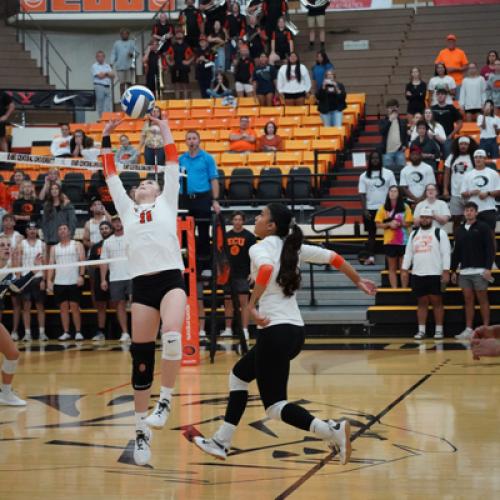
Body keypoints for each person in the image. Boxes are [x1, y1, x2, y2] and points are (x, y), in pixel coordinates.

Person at [193, 203, 377, 463]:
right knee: (238, 376)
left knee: (275, 407)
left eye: (261, 215)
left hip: (275, 331)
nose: (256, 218)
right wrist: (358, 281)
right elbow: (334, 257)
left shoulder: (259, 247)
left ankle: (331, 430)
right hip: (294, 332)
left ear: (271, 226)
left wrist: (252, 303)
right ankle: (221, 441)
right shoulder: (294, 249)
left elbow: (267, 270)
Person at [99, 116, 187, 467]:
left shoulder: (167, 201)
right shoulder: (127, 209)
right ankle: (140, 430)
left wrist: (165, 129)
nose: (144, 184)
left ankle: (165, 400)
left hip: (170, 280)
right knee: (140, 357)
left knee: (172, 335)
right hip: (143, 285)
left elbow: (171, 161)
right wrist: (105, 137)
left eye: (149, 182)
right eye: (142, 184)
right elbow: (110, 175)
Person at [0, 235, 42, 405]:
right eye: (2, 245)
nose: (6, 247)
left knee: (12, 354)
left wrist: (33, 270)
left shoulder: (7, 271)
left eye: (8, 245)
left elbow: (16, 287)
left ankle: (6, 393)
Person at [401, 207, 451, 340]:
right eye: (422, 217)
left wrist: (446, 271)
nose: (425, 219)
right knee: (421, 303)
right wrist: (404, 269)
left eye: (427, 217)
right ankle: (421, 330)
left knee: (437, 302)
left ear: (432, 218)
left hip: (435, 274)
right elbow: (408, 253)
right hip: (418, 274)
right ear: (419, 219)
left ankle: (439, 330)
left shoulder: (440, 233)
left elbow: (446, 253)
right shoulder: (413, 234)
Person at [451, 202, 495, 340]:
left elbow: (490, 249)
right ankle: (469, 329)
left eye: (471, 210)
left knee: (483, 299)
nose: (469, 212)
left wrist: (488, 268)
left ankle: (486, 329)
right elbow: (456, 252)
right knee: (468, 300)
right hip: (464, 271)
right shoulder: (459, 230)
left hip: (480, 270)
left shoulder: (483, 227)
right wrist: (453, 270)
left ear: (476, 212)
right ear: (464, 212)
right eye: (466, 210)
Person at [179, 129, 220, 263]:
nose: (191, 141)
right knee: (184, 231)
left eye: (194, 138)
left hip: (202, 199)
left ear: (199, 141)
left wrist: (215, 200)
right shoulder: (181, 159)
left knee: (203, 231)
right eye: (189, 138)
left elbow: (213, 180)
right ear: (186, 142)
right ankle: (185, 261)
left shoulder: (207, 158)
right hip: (184, 199)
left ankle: (204, 262)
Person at [221, 211, 256, 340]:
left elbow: (254, 257)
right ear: (231, 221)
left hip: (243, 274)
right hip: (228, 274)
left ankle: (245, 329)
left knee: (244, 303)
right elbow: (221, 256)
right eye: (235, 219)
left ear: (243, 221)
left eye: (239, 219)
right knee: (228, 303)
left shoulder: (250, 236)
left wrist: (253, 272)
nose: (237, 222)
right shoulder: (225, 236)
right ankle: (228, 329)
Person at [46, 223, 85, 341]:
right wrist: (49, 280)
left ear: (69, 231)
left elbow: (83, 260)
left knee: (75, 307)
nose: (62, 231)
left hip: (74, 281)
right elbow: (51, 265)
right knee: (63, 308)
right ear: (58, 233)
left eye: (64, 229)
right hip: (59, 282)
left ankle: (78, 332)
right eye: (60, 229)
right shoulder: (54, 248)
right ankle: (66, 332)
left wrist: (81, 276)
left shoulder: (77, 244)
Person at [358, 151, 396, 266]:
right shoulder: (363, 176)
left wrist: (392, 208)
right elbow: (362, 194)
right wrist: (365, 210)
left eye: (377, 158)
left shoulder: (389, 173)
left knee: (389, 233)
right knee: (371, 235)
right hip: (370, 209)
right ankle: (370, 257)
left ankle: (390, 257)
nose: (375, 160)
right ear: (369, 161)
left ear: (380, 160)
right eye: (373, 158)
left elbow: (393, 190)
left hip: (386, 209)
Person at [100, 215, 131, 343]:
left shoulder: (131, 237)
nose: (117, 224)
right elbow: (104, 262)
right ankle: (125, 333)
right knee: (119, 305)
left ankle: (139, 331)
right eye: (115, 222)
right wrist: (103, 279)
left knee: (136, 304)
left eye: (119, 221)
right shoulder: (107, 242)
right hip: (115, 278)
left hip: (132, 275)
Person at [375, 186, 413, 288]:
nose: (392, 193)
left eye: (395, 191)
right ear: (388, 193)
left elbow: (409, 222)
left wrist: (399, 223)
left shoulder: (405, 207)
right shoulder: (383, 208)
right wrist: (388, 225)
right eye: (391, 191)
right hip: (389, 242)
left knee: (403, 268)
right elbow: (378, 224)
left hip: (403, 241)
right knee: (392, 268)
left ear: (399, 194)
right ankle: (394, 290)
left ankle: (404, 289)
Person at [16, 222, 46, 342]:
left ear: (37, 230)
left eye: (34, 228)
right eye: (30, 229)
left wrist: (44, 279)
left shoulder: (42, 244)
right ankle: (27, 334)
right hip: (26, 278)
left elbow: (46, 264)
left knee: (40, 306)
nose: (32, 231)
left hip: (39, 278)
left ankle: (42, 333)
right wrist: (19, 281)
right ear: (26, 231)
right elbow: (18, 264)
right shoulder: (21, 244)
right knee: (26, 307)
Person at [460, 149, 500, 233]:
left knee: (490, 236)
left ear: (485, 159)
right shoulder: (468, 175)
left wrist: (488, 193)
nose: (478, 159)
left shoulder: (493, 173)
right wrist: (471, 192)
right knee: (474, 236)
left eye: (480, 157)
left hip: (489, 208)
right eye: (476, 157)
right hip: (473, 210)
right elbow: (463, 193)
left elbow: (499, 190)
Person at [443, 136, 476, 233]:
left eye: (465, 144)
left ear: (469, 146)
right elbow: (447, 173)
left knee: (472, 220)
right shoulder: (452, 157)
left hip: (470, 194)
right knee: (456, 220)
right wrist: (445, 188)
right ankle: (457, 244)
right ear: (458, 145)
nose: (463, 146)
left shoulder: (473, 157)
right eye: (461, 144)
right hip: (455, 194)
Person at [88, 220, 113, 342]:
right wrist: (103, 265)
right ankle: (101, 331)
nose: (104, 230)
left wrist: (106, 265)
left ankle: (124, 332)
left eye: (106, 228)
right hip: (100, 278)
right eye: (102, 228)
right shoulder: (96, 246)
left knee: (119, 304)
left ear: (111, 229)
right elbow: (91, 263)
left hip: (115, 276)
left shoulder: (116, 242)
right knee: (101, 306)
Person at [0, 213, 23, 341]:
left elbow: (18, 256)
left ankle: (14, 331)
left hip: (13, 272)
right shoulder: (0, 237)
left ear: (14, 223)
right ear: (3, 223)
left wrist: (18, 275)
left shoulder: (18, 237)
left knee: (16, 303)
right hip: (2, 273)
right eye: (6, 220)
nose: (8, 223)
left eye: (10, 220)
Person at [41, 183, 77, 257]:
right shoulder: (47, 205)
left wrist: (70, 236)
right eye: (52, 189)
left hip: (65, 238)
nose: (54, 191)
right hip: (51, 238)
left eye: (56, 188)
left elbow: (72, 221)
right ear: (50, 191)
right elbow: (44, 223)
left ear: (60, 191)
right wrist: (46, 238)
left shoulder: (68, 204)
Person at [435, 34, 469, 99]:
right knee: (447, 103)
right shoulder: (442, 52)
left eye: (452, 41)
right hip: (445, 83)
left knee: (458, 103)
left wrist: (455, 69)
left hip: (458, 83)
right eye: (449, 41)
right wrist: (444, 68)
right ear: (447, 43)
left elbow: (466, 66)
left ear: (455, 42)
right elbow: (436, 64)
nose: (451, 43)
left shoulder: (460, 52)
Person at [431, 88, 463, 158]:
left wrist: (451, 135)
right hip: (434, 138)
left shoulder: (451, 108)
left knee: (448, 159)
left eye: (442, 94)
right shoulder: (432, 109)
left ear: (446, 96)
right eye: (438, 94)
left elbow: (460, 123)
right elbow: (427, 123)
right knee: (435, 159)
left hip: (448, 138)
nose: (440, 96)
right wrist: (433, 135)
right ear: (436, 96)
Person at [379, 99, 408, 175]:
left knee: (402, 173)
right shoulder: (383, 121)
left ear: (398, 109)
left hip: (400, 152)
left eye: (394, 107)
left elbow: (405, 135)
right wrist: (390, 120)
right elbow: (382, 131)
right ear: (387, 109)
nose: (392, 109)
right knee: (387, 174)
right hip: (387, 152)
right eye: (390, 108)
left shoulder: (402, 121)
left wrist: (405, 145)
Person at [166, 29, 195, 100]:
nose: (179, 35)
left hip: (184, 68)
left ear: (183, 35)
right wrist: (170, 63)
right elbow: (167, 55)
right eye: (177, 33)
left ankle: (185, 102)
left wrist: (188, 62)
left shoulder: (187, 46)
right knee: (176, 86)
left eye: (180, 33)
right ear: (175, 35)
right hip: (175, 68)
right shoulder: (172, 46)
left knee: (185, 86)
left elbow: (193, 55)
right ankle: (177, 102)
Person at [110, 28, 137, 96]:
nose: (124, 35)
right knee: (122, 83)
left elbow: (137, 52)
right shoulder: (117, 43)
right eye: (123, 34)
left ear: (128, 35)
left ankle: (130, 97)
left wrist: (132, 55)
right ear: (121, 35)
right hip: (120, 67)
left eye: (126, 34)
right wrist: (111, 62)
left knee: (129, 83)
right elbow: (113, 53)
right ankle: (122, 99)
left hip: (129, 67)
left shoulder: (132, 42)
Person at [91, 50, 114, 118]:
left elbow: (113, 75)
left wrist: (105, 74)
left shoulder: (107, 66)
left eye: (101, 56)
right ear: (96, 58)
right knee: (100, 105)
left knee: (108, 105)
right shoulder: (94, 66)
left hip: (107, 86)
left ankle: (107, 119)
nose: (100, 58)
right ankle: (101, 119)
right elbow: (100, 76)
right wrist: (107, 74)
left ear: (104, 57)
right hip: (99, 86)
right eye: (98, 56)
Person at [225, 2, 247, 67]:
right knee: (228, 55)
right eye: (234, 6)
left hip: (240, 39)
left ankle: (238, 67)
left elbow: (244, 28)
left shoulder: (242, 17)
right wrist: (227, 36)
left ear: (238, 8)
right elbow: (225, 28)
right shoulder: (228, 17)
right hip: (230, 39)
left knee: (239, 54)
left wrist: (240, 38)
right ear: (232, 8)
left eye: (236, 6)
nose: (235, 7)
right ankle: (228, 69)